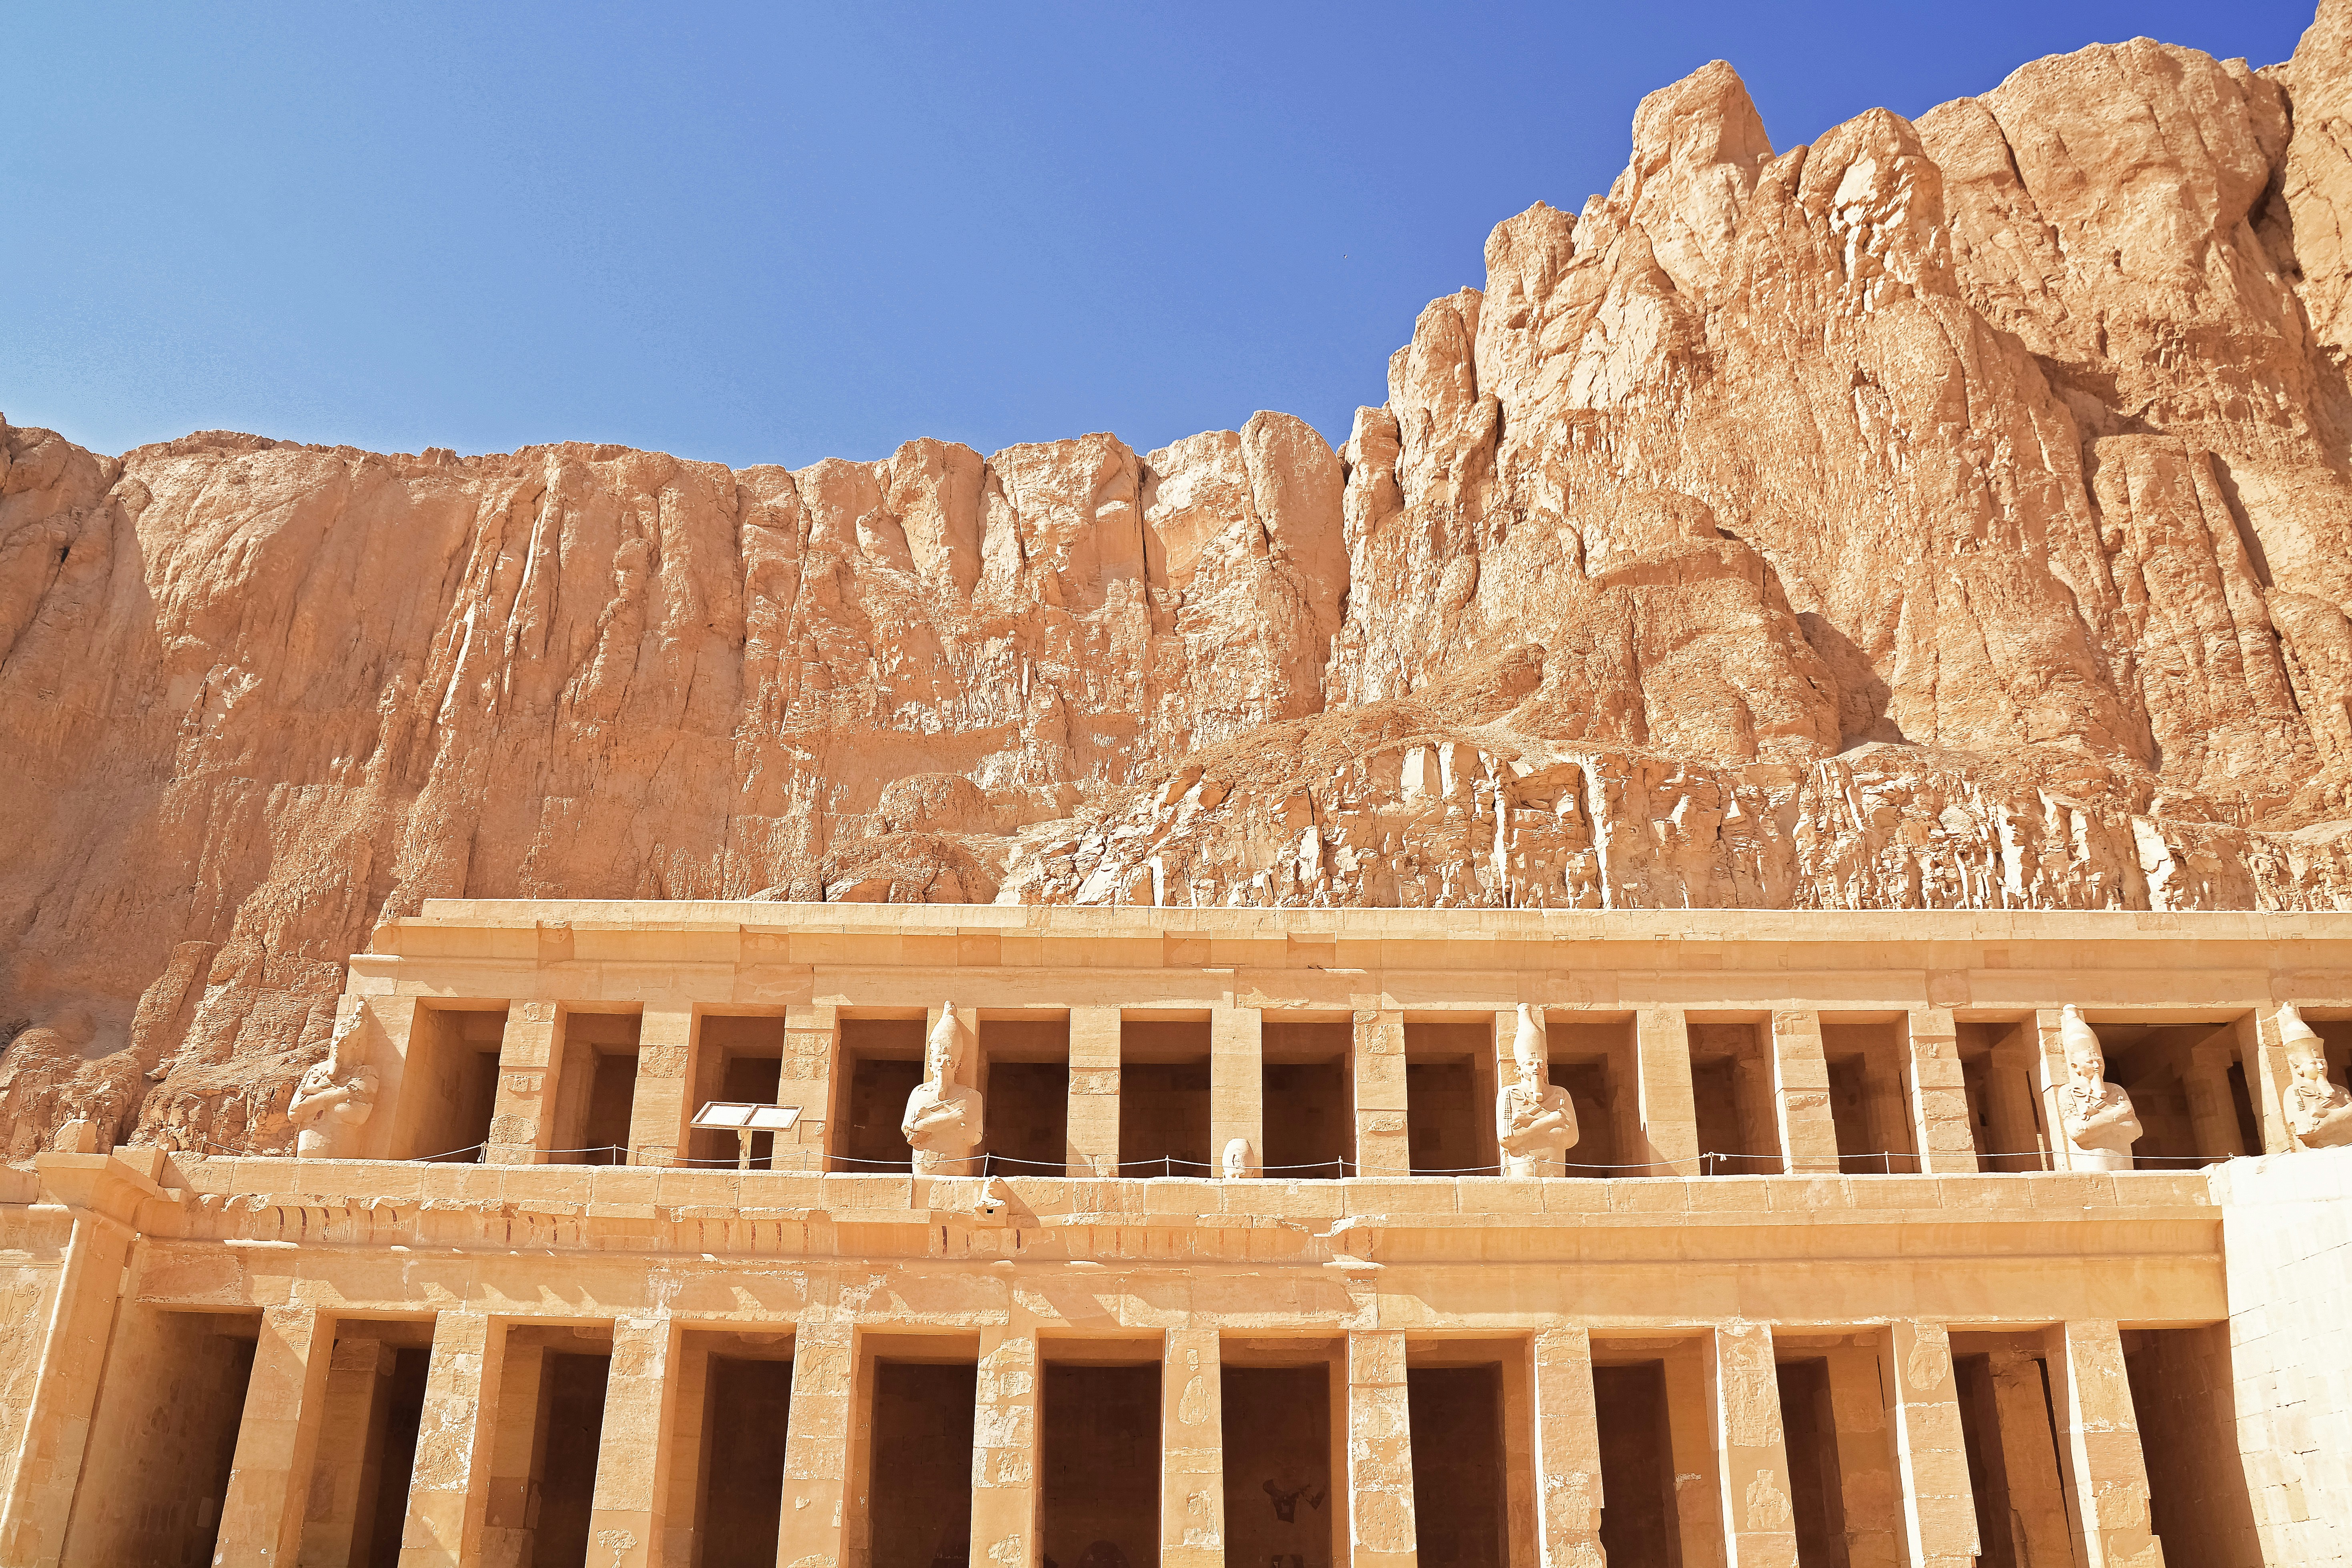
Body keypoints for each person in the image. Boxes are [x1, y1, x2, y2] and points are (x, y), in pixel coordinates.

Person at [901, 1003, 984, 1175]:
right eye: (938, 1061)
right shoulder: (919, 1094)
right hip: (924, 1164)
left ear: (958, 1066)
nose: (943, 1066)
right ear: (930, 1065)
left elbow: (975, 1137)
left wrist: (930, 1123)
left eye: (949, 1062)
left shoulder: (971, 1097)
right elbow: (910, 1130)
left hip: (955, 1164)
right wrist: (954, 1119)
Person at [1496, 1003, 1578, 1177]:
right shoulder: (1509, 1094)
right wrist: (1551, 1121)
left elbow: (1571, 1137)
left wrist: (1529, 1124)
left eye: (1541, 1064)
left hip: (1555, 1163)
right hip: (1523, 1164)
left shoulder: (1560, 1093)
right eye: (1530, 1064)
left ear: (1546, 1069)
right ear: (1519, 1070)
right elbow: (1508, 1139)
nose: (1536, 1068)